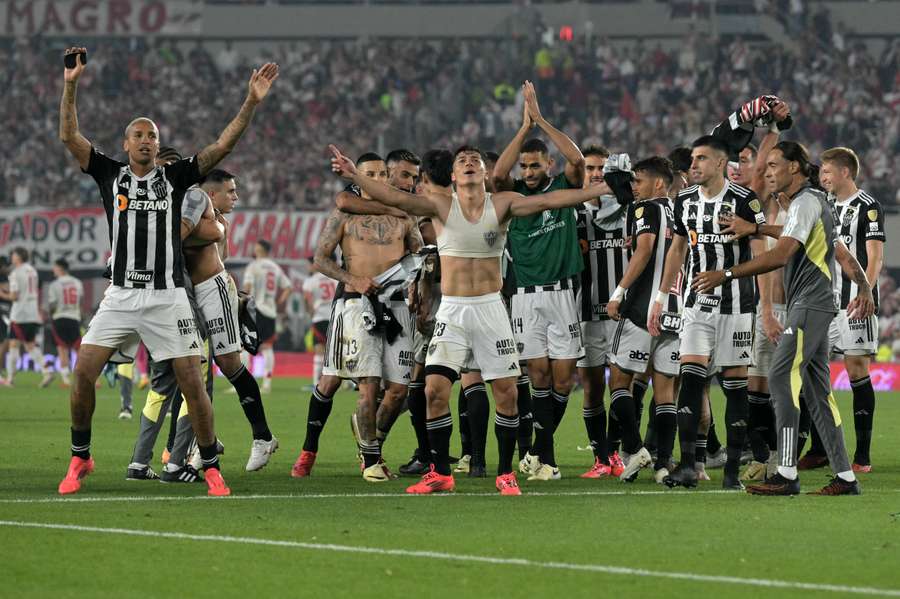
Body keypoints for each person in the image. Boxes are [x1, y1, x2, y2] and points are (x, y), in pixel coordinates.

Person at [56, 45, 278, 496]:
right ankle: (81, 457)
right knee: (82, 374)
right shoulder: (108, 174)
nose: (144, 141)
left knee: (192, 381)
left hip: (168, 296)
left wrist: (251, 103)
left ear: (158, 146)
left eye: (151, 136)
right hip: (121, 295)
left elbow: (223, 145)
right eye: (137, 135)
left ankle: (211, 464)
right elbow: (69, 136)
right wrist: (71, 85)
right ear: (125, 144)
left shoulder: (176, 180)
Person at [330, 143, 603, 495]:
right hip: (454, 311)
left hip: (491, 308)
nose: (470, 163)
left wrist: (601, 188)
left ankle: (506, 473)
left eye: (475, 159)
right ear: (455, 176)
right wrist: (353, 174)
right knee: (434, 390)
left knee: (506, 394)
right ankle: (440, 472)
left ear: (484, 173)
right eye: (462, 161)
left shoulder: (501, 203)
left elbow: (550, 201)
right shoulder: (441, 206)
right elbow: (397, 200)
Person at [692, 141, 874, 496]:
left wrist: (726, 274)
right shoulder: (810, 204)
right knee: (818, 393)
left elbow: (783, 254)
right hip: (815, 303)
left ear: (794, 167)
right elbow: (823, 243)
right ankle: (845, 477)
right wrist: (756, 229)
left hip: (810, 302)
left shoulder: (806, 202)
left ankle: (786, 472)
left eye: (774, 165)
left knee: (779, 376)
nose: (767, 172)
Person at [648, 135, 767, 490]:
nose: (694, 165)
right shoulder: (683, 200)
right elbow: (677, 249)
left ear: (720, 164)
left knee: (734, 387)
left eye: (701, 159)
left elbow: (762, 254)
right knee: (692, 377)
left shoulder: (746, 200)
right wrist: (660, 297)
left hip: (737, 305)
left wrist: (766, 306)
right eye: (693, 159)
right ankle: (688, 466)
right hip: (696, 304)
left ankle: (731, 470)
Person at [492, 82, 586, 481]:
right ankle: (545, 459)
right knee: (539, 376)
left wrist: (541, 121)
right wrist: (522, 126)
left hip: (563, 294)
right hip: (525, 299)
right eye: (524, 166)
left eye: (535, 165)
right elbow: (497, 174)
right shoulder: (511, 197)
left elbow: (576, 158)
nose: (527, 172)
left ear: (547, 166)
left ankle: (536, 448)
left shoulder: (564, 188)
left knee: (564, 379)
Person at [313, 152, 422, 482]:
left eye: (381, 174)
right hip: (359, 304)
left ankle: (370, 441)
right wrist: (352, 279)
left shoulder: (406, 215)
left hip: (397, 307)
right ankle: (372, 461)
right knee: (368, 387)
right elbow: (320, 259)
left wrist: (419, 284)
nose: (377, 179)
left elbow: (417, 254)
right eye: (370, 174)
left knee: (400, 390)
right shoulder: (344, 212)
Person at [186, 169, 278, 470]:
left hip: (213, 289)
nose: (236, 197)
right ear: (212, 194)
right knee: (188, 368)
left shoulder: (217, 221)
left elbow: (205, 245)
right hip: (187, 294)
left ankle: (263, 437)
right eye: (230, 191)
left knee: (228, 363)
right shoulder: (198, 212)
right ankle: (206, 440)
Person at [606, 157, 682, 483]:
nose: (633, 187)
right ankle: (663, 465)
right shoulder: (683, 211)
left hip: (641, 310)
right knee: (665, 393)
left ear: (659, 184)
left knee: (619, 382)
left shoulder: (644, 210)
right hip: (675, 312)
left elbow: (645, 249)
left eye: (638, 180)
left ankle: (636, 449)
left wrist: (619, 292)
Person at [810, 147, 883, 473]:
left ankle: (863, 455)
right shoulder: (821, 204)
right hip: (824, 301)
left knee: (856, 370)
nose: (822, 177)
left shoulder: (867, 207)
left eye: (827, 172)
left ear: (844, 173)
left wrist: (865, 291)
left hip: (855, 301)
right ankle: (818, 447)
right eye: (821, 172)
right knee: (813, 371)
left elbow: (875, 255)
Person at [573, 145, 626, 479]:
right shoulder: (572, 212)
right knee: (592, 388)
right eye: (589, 168)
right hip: (585, 313)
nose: (595, 174)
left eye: (600, 169)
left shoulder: (626, 210)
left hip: (621, 313)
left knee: (620, 385)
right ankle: (600, 458)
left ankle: (616, 453)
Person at [242, 240, 291, 393]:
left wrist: (242, 305)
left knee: (245, 344)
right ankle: (267, 384)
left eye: (255, 246)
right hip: (270, 311)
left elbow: (247, 288)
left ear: (259, 249)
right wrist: (278, 301)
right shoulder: (275, 267)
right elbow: (288, 287)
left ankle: (243, 383)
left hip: (255, 309)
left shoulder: (254, 266)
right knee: (267, 347)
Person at [3, 248, 50, 386]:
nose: (12, 257)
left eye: (14, 254)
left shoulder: (15, 273)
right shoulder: (32, 271)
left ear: (18, 257)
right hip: (32, 313)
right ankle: (47, 371)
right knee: (30, 345)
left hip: (19, 314)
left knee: (13, 345)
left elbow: (14, 296)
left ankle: (10, 379)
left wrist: (2, 294)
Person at [43, 258, 84, 388]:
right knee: (79, 350)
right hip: (74, 318)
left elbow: (53, 304)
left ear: (60, 268)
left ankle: (66, 380)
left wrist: (49, 312)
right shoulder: (77, 282)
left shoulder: (55, 284)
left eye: (54, 267)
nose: (53, 270)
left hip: (60, 318)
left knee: (62, 349)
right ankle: (85, 377)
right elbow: (81, 301)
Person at [302, 258, 337, 390]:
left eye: (309, 265)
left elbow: (307, 299)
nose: (308, 268)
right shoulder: (334, 278)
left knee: (319, 350)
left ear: (314, 265)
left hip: (319, 317)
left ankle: (317, 383)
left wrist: (310, 312)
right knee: (336, 351)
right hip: (334, 317)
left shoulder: (310, 281)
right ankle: (345, 382)